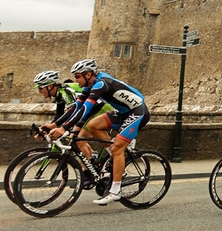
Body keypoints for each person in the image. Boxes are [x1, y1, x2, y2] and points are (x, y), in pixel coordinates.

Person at [48, 59, 149, 205]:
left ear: (88, 74)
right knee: (93, 125)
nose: (75, 79)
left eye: (77, 76)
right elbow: (76, 107)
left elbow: (85, 110)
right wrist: (55, 124)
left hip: (138, 112)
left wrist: (64, 128)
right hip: (123, 112)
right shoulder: (89, 86)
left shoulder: (101, 84)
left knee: (117, 149)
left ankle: (115, 191)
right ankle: (113, 157)